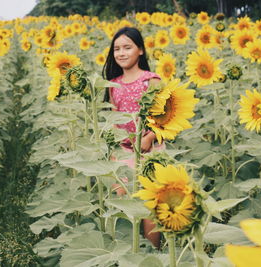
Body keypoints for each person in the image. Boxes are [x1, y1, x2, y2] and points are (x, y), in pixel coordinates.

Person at [102, 27, 165, 249]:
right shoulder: (113, 83)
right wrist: (113, 149)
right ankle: (127, 251)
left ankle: (152, 252)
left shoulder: (151, 80)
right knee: (124, 200)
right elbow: (112, 119)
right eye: (116, 49)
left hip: (150, 150)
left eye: (127, 47)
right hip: (123, 150)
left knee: (150, 202)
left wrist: (149, 137)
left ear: (140, 50)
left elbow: (165, 118)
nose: (121, 53)